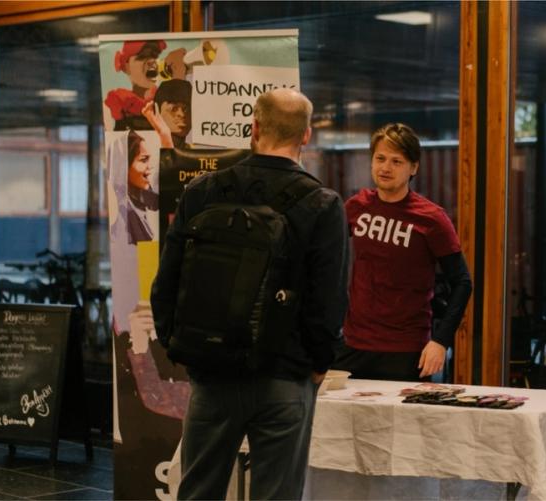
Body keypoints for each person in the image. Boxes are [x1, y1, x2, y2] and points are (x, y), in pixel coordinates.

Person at [150, 88, 349, 500]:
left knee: (198, 490)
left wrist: (179, 344)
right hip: (285, 374)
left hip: (212, 370)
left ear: (254, 128)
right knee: (276, 494)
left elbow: (166, 281)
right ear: (307, 135)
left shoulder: (202, 191)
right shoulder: (322, 204)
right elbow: (328, 299)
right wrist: (319, 362)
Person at [334, 123, 472, 382]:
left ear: (413, 168)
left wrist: (441, 340)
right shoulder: (356, 207)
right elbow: (324, 258)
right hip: (353, 345)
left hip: (406, 350)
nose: (386, 168)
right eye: (380, 158)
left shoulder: (431, 218)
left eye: (397, 161)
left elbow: (463, 282)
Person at [105, 40, 166, 131]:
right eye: (142, 57)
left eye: (154, 56)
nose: (152, 61)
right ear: (126, 67)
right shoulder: (116, 102)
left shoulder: (165, 99)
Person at [111, 131, 158, 244]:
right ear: (124, 167)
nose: (150, 166)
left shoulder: (140, 196)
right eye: (143, 160)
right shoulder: (124, 216)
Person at [150, 78, 192, 148]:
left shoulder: (192, 152)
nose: (182, 114)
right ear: (157, 111)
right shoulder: (148, 150)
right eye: (173, 109)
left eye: (186, 109)